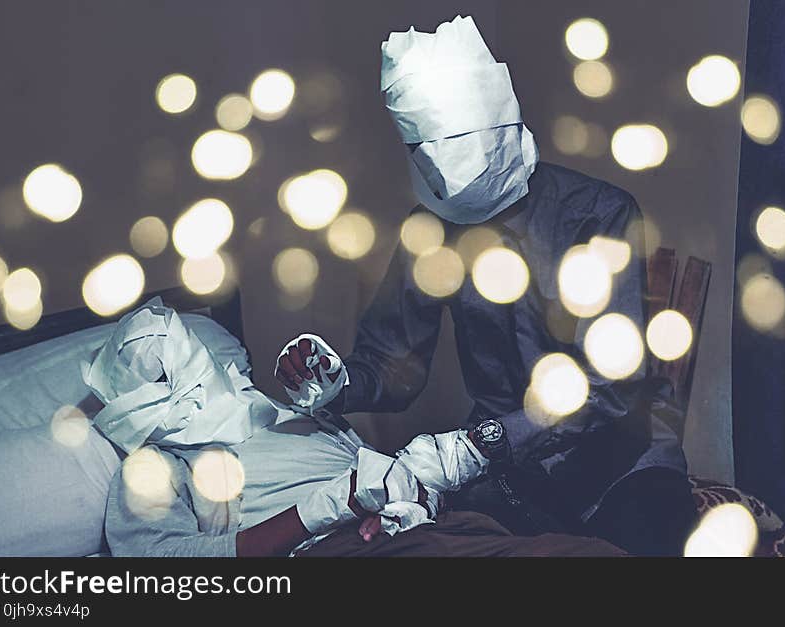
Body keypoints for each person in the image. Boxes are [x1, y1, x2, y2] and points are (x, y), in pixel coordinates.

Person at [276, 16, 696, 556]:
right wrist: (337, 381)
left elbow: (608, 389)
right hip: (509, 475)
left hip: (620, 460)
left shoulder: (598, 216)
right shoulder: (428, 231)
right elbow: (393, 363)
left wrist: (482, 445)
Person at [105, 408, 624, 557]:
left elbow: (383, 472)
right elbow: (173, 573)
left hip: (427, 525)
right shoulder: (152, 468)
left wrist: (416, 487)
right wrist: (327, 507)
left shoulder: (282, 415)